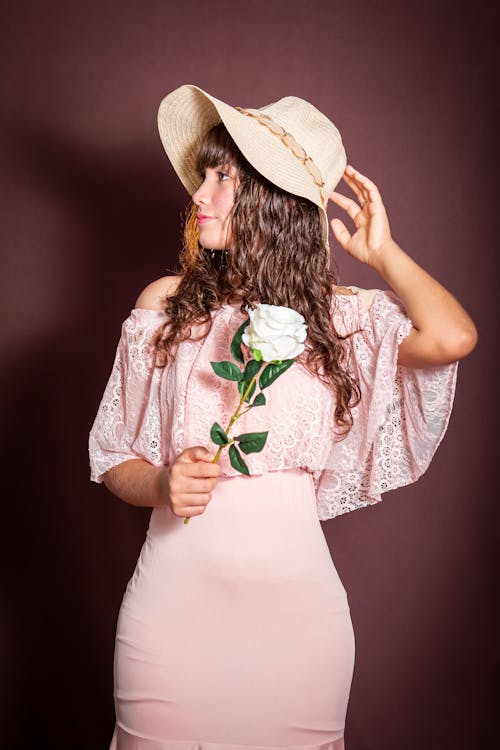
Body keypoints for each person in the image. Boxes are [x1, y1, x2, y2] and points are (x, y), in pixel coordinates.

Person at [88, 84, 477, 750]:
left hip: (298, 618)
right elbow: (113, 454)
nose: (200, 196)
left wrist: (383, 256)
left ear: (270, 200)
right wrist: (159, 485)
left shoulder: (338, 319)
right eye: (203, 178)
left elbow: (451, 337)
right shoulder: (166, 305)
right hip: (172, 609)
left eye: (222, 179)